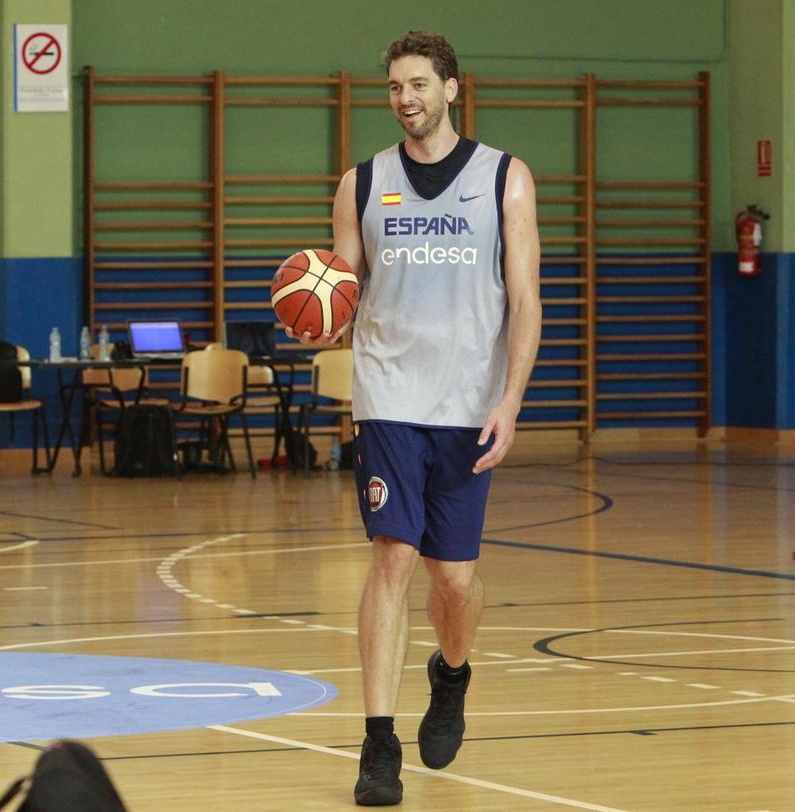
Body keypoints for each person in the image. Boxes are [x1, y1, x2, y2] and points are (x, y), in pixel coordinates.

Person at [294, 32, 541, 805]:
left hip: (469, 401)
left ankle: (452, 674)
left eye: (419, 84)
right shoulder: (362, 184)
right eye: (395, 86)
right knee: (392, 561)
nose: (405, 97)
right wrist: (320, 313)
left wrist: (510, 399)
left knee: (455, 580)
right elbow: (342, 290)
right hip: (389, 398)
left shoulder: (505, 179)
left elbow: (527, 300)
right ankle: (377, 745)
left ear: (452, 89)